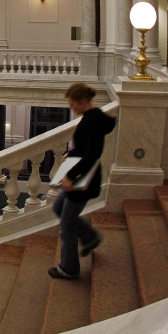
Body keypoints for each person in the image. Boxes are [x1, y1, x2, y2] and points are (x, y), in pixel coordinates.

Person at [48, 83, 116, 281]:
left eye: (72, 104)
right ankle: (89, 236)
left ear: (82, 102)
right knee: (60, 207)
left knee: (67, 224)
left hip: (83, 180)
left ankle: (68, 268)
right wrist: (72, 153)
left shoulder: (91, 122)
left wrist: (70, 176)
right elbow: (87, 148)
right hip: (83, 176)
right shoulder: (94, 116)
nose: (71, 108)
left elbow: (93, 154)